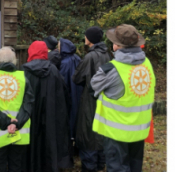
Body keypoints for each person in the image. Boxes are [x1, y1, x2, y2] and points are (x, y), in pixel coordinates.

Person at [91, 24, 156, 172]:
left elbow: (94, 85)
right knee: (135, 167)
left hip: (116, 134)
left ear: (117, 45)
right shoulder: (147, 64)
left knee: (117, 168)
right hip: (139, 131)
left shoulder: (111, 69)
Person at [0, 47, 34, 172]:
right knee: (16, 165)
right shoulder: (22, 77)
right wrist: (16, 123)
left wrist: (6, 122)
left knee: (0, 165)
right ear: (13, 60)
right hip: (19, 130)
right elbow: (28, 103)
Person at [22, 41, 73, 172]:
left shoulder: (24, 71)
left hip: (30, 117)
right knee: (49, 143)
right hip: (51, 116)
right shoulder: (54, 71)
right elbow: (64, 95)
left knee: (31, 143)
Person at [72, 26, 112, 172]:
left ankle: (90, 167)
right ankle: (101, 164)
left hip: (90, 99)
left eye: (86, 36)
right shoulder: (109, 54)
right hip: (106, 99)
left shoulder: (90, 57)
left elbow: (76, 78)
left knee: (88, 133)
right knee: (101, 132)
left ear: (90, 39)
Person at [58, 38, 83, 142]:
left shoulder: (63, 63)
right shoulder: (78, 59)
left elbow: (62, 80)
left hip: (68, 94)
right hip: (79, 92)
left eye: (59, 46)